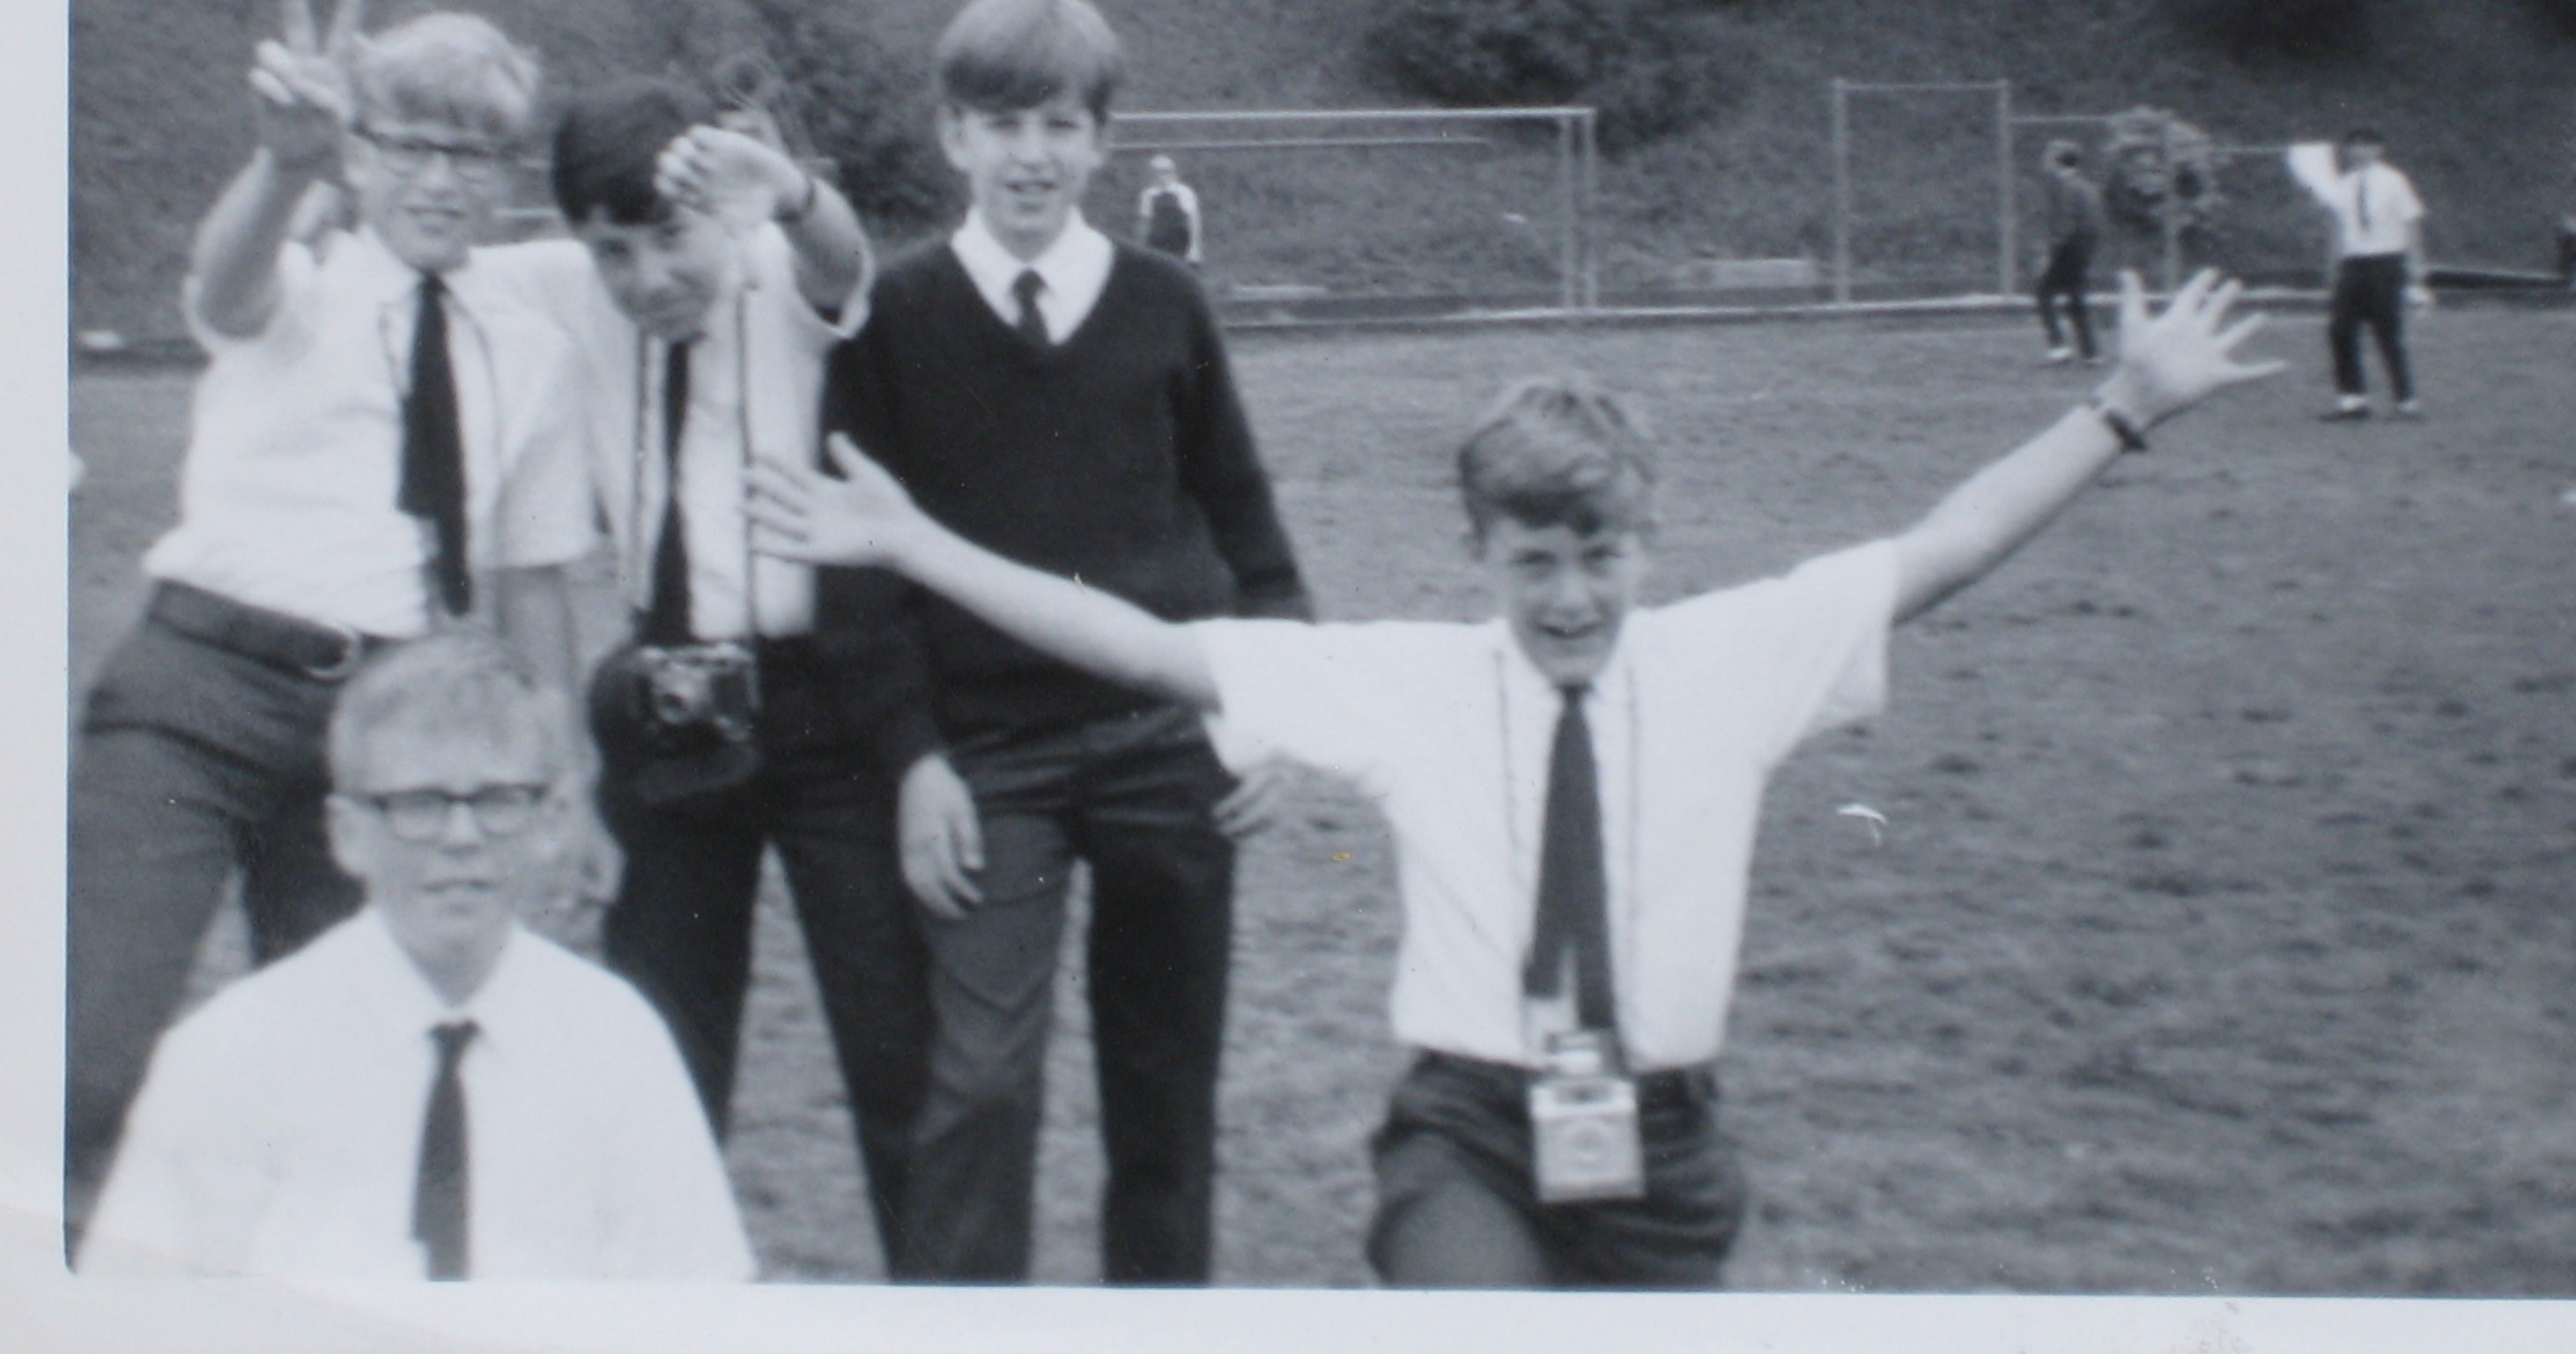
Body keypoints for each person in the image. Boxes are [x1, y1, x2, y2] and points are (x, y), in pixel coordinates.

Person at [753, 269, 2281, 1289]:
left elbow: (1939, 550)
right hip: (1468, 1135)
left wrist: (2119, 409)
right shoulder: (1412, 680)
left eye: (1597, 556)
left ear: (1647, 546)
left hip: (1665, 1145)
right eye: (1532, 558)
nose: (1566, 594)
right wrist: (914, 545)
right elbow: (1149, 647)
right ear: (1477, 553)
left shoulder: (1727, 658)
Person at [66, 0, 596, 1236]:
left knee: (368, 1103)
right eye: (411, 145)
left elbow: (532, 580)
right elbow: (227, 289)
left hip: (383, 733)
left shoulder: (526, 349)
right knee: (82, 1058)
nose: (439, 180)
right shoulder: (301, 272)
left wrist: (564, 778)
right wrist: (277, 162)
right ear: (360, 155)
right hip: (199, 692)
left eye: (472, 154)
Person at [814, 0, 1310, 1284]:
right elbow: (859, 580)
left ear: (1100, 139)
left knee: (1165, 1104)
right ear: (950, 137)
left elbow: (1253, 534)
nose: (1031, 155)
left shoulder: (1164, 304)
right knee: (978, 1089)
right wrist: (915, 758)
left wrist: (1270, 713)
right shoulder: (894, 319)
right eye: (1001, 123)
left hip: (1164, 751)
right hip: (993, 764)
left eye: (1059, 124)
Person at [467, 77, 929, 1279]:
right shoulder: (568, 291)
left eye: (669, 238)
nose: (644, 281)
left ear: (726, 214)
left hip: (826, 706)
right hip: (663, 706)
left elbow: (844, 259)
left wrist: (790, 191)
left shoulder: (783, 269)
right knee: (660, 1065)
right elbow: (441, 264)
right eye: (611, 251)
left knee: (896, 1056)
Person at [80, 632, 754, 1281]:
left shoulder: (617, 1045)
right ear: (348, 833)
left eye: (497, 801)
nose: (460, 837)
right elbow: (138, 1316)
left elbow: (693, 1308)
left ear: (552, 822)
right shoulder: (232, 1055)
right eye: (419, 804)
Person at [2307, 127, 2430, 421]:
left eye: (2366, 146)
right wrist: (2332, 269)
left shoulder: (2394, 181)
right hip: (2353, 264)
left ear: (2379, 150)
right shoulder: (2344, 184)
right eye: (2354, 146)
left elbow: (2411, 223)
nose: (2359, 152)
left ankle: (2405, 401)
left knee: (2388, 332)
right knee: (2340, 329)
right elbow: (2338, 227)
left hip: (2385, 262)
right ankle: (2352, 400)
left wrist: (2417, 270)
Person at [2033, 140, 2105, 365]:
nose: (2045, 161)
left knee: (2043, 292)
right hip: (2084, 247)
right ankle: (2091, 352)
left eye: (2050, 156)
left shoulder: (2067, 187)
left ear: (2058, 161)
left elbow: (2065, 222)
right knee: (2075, 297)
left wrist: (2050, 252)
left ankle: (2059, 347)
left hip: (2069, 246)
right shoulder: (2085, 185)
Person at [1136, 152, 1203, 267]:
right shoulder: (1148, 194)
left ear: (1173, 173)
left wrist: (1193, 248)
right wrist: (1142, 248)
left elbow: (1192, 221)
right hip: (1157, 245)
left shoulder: (1183, 192)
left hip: (1179, 244)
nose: (1161, 176)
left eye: (1165, 172)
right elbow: (1145, 223)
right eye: (1156, 172)